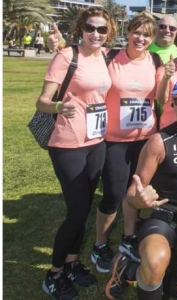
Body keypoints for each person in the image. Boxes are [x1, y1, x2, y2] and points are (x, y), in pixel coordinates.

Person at [105, 77, 177, 300]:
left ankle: (169, 277)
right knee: (155, 262)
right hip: (161, 219)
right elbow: (132, 191)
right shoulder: (160, 140)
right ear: (173, 105)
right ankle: (132, 269)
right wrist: (139, 200)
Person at [36, 7, 117, 300]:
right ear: (81, 29)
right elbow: (43, 101)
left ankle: (71, 263)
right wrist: (59, 107)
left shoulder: (105, 56)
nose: (96, 34)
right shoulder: (66, 56)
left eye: (102, 29)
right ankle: (54, 274)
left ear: (109, 32)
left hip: (96, 142)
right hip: (67, 143)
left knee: (82, 212)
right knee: (78, 211)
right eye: (90, 28)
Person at [91, 12, 158, 275]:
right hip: (114, 140)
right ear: (127, 33)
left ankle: (129, 238)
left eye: (146, 34)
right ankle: (100, 244)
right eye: (137, 32)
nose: (140, 38)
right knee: (113, 194)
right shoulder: (109, 57)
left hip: (144, 140)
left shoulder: (156, 60)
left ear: (152, 39)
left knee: (136, 190)